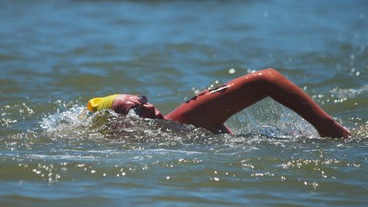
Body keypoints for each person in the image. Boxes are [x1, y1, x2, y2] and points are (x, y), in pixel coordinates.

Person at [87, 68, 351, 138]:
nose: (146, 106)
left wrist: (327, 127)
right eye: (135, 109)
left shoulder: (183, 119)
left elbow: (266, 79)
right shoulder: (166, 139)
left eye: (141, 100)